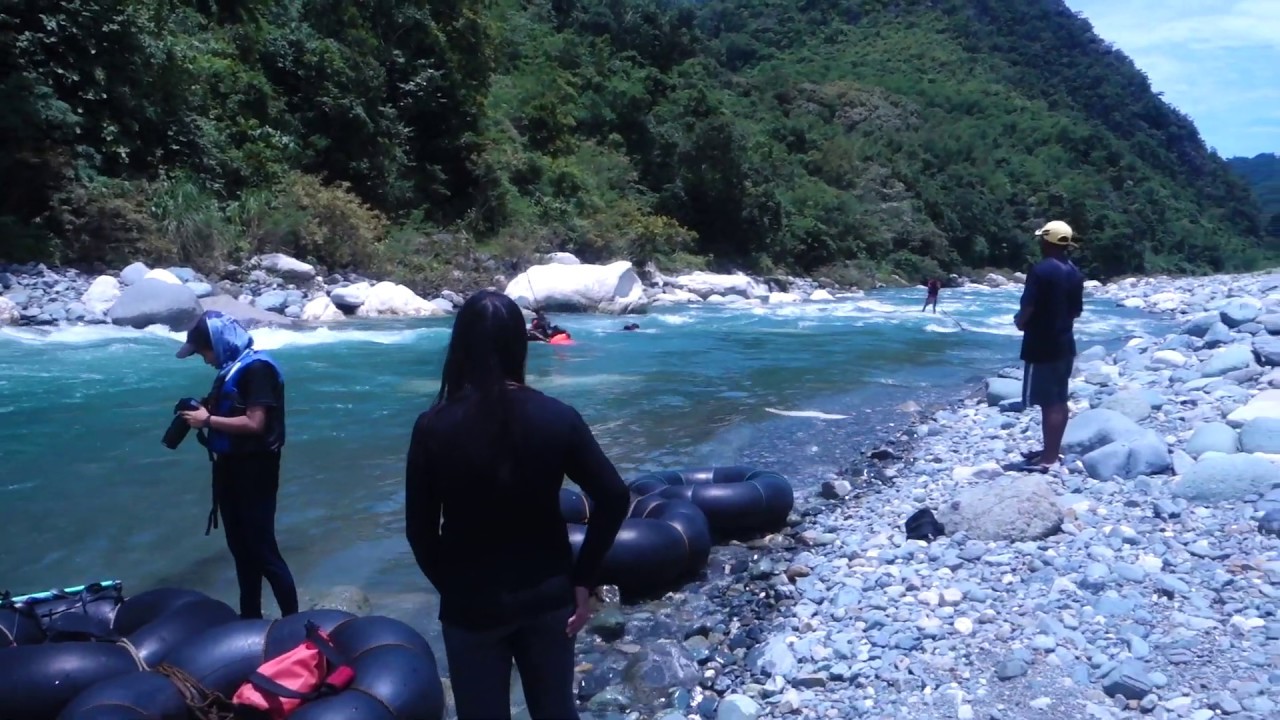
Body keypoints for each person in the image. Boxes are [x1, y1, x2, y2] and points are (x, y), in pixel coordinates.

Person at [405, 290, 629, 720]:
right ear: (519, 345)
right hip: (547, 598)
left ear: (461, 347)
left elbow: (419, 532)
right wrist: (583, 580)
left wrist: (453, 588)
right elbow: (615, 497)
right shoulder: (557, 416)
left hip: (471, 605)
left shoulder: (433, 426)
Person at [175, 310, 299, 620]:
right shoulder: (230, 370)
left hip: (256, 471)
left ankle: (294, 623)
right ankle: (250, 619)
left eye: (204, 352)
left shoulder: (258, 369)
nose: (204, 360)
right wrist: (204, 410)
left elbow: (256, 423)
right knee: (241, 551)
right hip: (229, 469)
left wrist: (208, 420)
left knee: (263, 550)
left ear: (218, 343)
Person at [1011, 220, 1086, 472]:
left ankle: (1048, 459)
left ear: (1046, 241)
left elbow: (1028, 308)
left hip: (1042, 345)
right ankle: (1050, 451)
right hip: (1065, 343)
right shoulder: (1075, 272)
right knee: (1059, 399)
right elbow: (1075, 312)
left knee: (1048, 402)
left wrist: (1020, 323)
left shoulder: (1040, 271)